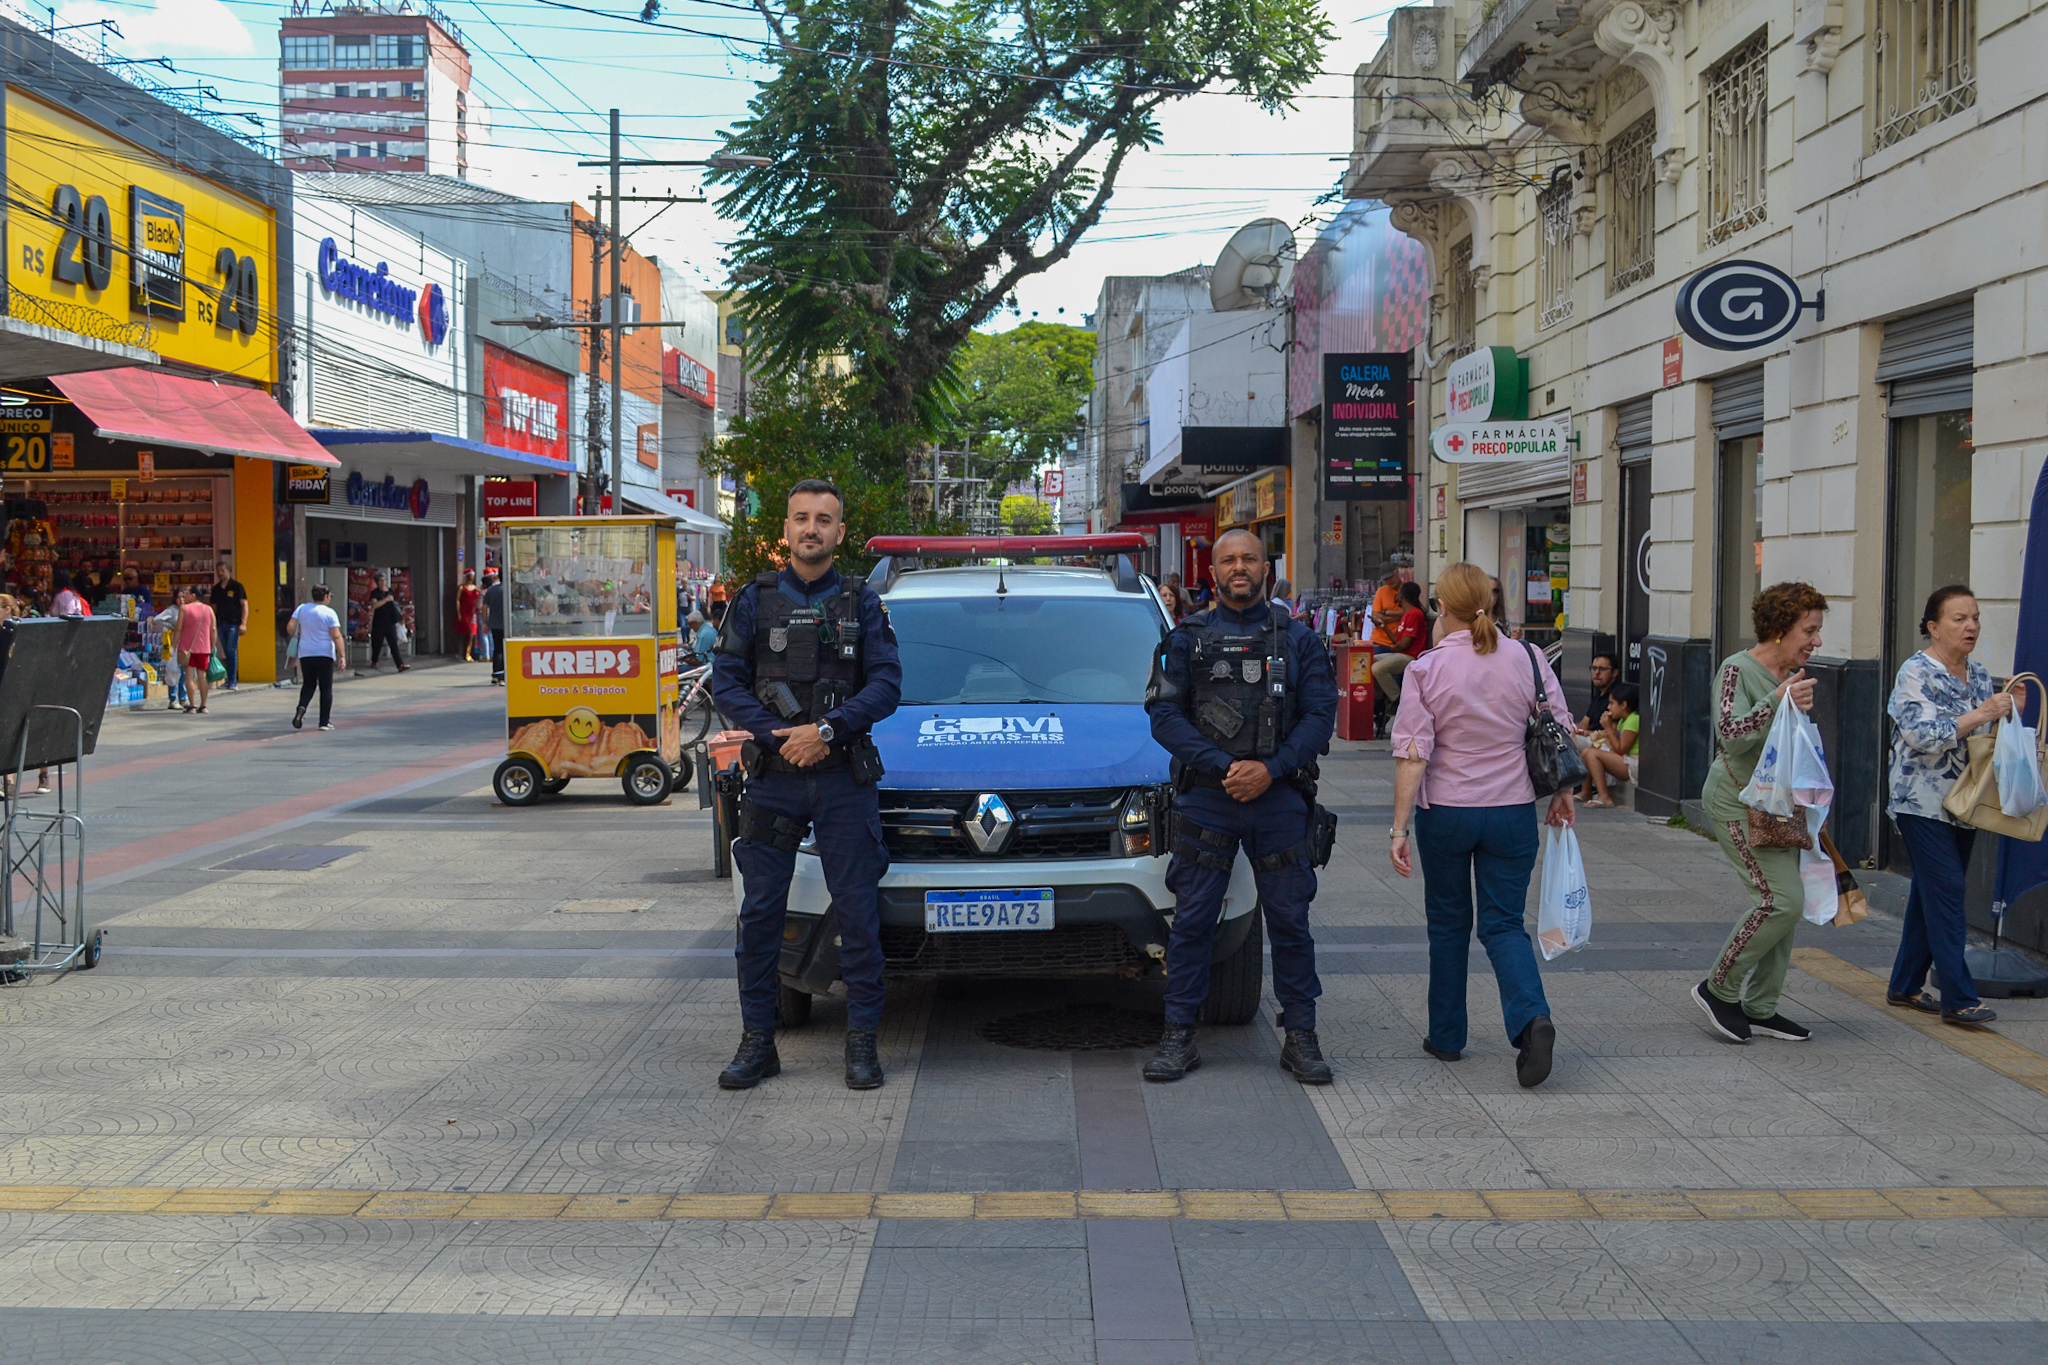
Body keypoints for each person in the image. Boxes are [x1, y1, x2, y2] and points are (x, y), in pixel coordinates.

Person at [711, 479, 902, 1091]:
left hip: (842, 777)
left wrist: (826, 729)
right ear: (786, 530)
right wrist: (777, 735)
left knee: (858, 911)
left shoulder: (864, 602)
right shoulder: (752, 600)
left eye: (824, 519)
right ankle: (757, 1043)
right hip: (774, 780)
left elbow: (886, 686)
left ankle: (862, 1046)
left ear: (840, 533)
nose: (811, 528)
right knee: (761, 912)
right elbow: (726, 681)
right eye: (801, 518)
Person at [1140, 527, 1339, 1085]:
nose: (1239, 568)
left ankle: (1301, 1035)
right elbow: (1164, 717)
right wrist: (1225, 766)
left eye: (1249, 558)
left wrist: (1270, 769)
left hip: (1279, 801)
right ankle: (1179, 1035)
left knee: (1291, 923)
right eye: (1228, 559)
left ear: (1266, 568)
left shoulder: (1299, 641)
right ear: (1212, 572)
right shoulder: (1187, 639)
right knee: (1194, 923)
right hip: (1210, 798)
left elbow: (1321, 717)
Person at [1387, 561, 1572, 1089]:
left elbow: (1413, 753)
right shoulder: (1530, 659)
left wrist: (1399, 828)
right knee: (1503, 924)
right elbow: (1557, 728)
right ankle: (1531, 1018)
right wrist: (1562, 793)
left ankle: (1446, 1036)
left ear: (1441, 606)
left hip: (1446, 813)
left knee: (1448, 925)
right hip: (1512, 812)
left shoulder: (1426, 669)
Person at [1692, 581, 1830, 1045]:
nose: (1816, 641)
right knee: (1780, 900)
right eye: (1808, 631)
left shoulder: (1793, 675)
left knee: (1787, 908)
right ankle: (1718, 990)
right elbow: (1730, 733)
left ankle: (1761, 1006)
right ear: (1777, 629)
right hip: (1736, 801)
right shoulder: (1737, 670)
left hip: (1780, 805)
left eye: (1817, 631)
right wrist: (1778, 701)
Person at [1884, 585, 2010, 1027]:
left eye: (1974, 617)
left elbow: (1981, 739)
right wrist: (1981, 714)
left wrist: (2005, 712)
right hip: (1920, 801)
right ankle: (1958, 997)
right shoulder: (1915, 673)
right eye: (1959, 619)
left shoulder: (1977, 674)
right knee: (1949, 890)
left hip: (1966, 800)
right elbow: (1923, 735)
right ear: (1933, 627)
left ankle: (1903, 984)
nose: (1971, 626)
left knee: (1930, 892)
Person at [0, 595, 50, 794]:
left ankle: (44, 773)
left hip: (24, 685)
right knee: (6, 732)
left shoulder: (20, 630)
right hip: (5, 686)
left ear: (6, 608)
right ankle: (8, 780)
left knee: (32, 730)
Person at [288, 585, 346, 731]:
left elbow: (290, 627)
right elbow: (336, 636)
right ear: (325, 596)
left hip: (306, 652)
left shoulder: (302, 609)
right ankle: (324, 722)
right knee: (325, 687)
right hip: (324, 653)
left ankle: (301, 707)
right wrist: (342, 656)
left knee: (308, 684)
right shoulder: (329, 613)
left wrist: (301, 634)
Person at [1578, 683, 1640, 808]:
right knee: (1586, 751)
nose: (1608, 707)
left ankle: (1604, 797)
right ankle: (1586, 792)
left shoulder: (1633, 720)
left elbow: (1621, 749)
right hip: (1625, 759)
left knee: (1591, 754)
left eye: (1612, 703)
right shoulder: (1623, 720)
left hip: (1634, 764)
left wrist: (1608, 728)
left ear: (1623, 705)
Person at [1370, 580, 1429, 708]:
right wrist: (1384, 627)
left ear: (1402, 595)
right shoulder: (1407, 615)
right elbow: (1398, 640)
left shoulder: (1415, 614)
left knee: (1378, 668)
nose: (1396, 595)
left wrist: (1391, 649)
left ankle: (1396, 699)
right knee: (1370, 661)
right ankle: (1379, 697)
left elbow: (1404, 644)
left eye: (1398, 593)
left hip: (1411, 657)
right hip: (1401, 653)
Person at [174, 585, 222, 714]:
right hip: (204, 648)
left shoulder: (184, 609)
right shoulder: (209, 610)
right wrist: (212, 645)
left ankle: (192, 706)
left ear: (194, 595)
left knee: (189, 677)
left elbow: (178, 628)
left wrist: (174, 644)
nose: (185, 596)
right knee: (202, 676)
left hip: (187, 648)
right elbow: (213, 629)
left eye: (187, 593)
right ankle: (204, 705)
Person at [210, 562, 248, 690]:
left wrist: (243, 623)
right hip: (221, 623)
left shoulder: (237, 587)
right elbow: (213, 608)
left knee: (231, 651)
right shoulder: (215, 589)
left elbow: (244, 605)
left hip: (233, 623)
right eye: (218, 571)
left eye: (222, 570)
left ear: (229, 571)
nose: (220, 573)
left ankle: (232, 680)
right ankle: (227, 679)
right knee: (225, 651)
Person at [363, 573, 408, 674]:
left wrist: (399, 618)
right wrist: (386, 599)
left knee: (393, 643)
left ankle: (399, 664)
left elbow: (394, 606)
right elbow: (374, 605)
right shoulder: (375, 593)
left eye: (384, 580)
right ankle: (374, 661)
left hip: (390, 621)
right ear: (377, 582)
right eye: (381, 581)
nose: (383, 582)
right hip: (379, 621)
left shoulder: (390, 591)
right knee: (377, 643)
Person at [1576, 653, 1619, 750]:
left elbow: (1614, 732)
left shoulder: (1617, 696)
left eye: (1602, 669)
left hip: (1603, 743)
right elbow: (1584, 724)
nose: (1597, 673)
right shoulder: (1599, 694)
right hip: (1589, 738)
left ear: (1614, 673)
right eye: (1594, 668)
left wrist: (1583, 732)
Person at [1368, 559, 1405, 651]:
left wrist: (1385, 612)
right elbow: (1376, 616)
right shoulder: (1381, 591)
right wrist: (1399, 616)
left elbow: (1409, 611)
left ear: (1397, 571)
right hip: (1379, 640)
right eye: (1386, 579)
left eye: (1391, 577)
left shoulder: (1407, 589)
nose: (1389, 581)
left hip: (1399, 642)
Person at [482, 572, 505, 685]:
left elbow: (485, 607)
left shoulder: (491, 590)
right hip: (507, 625)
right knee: (504, 650)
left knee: (497, 649)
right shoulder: (509, 590)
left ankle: (495, 674)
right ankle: (502, 676)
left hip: (494, 624)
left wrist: (485, 622)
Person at [456, 570, 481, 663]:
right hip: (464, 612)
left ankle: (468, 653)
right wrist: (458, 612)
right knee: (463, 632)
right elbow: (458, 600)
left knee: (472, 633)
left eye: (473, 575)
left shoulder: (475, 588)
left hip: (473, 613)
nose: (472, 577)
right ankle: (461, 652)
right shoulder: (462, 588)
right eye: (470, 575)